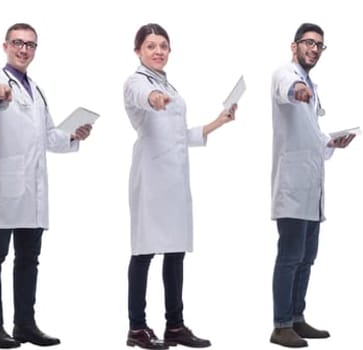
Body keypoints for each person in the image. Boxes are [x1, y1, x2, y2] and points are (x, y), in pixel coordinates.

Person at [0, 22, 91, 350]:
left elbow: (48, 136)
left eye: (30, 45)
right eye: (18, 43)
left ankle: (24, 324)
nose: (24, 49)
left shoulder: (37, 90)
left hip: (33, 189)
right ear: (6, 46)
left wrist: (72, 135)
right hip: (4, 186)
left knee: (29, 258)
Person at [122, 23, 232, 350]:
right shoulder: (137, 83)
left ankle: (175, 325)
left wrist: (220, 120)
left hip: (175, 180)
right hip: (152, 178)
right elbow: (144, 98)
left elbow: (180, 135)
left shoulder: (168, 83)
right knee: (143, 251)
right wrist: (154, 97)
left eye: (163, 46)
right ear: (138, 50)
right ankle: (137, 328)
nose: (158, 51)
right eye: (151, 46)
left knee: (175, 253)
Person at [268, 22, 355, 349]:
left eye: (319, 45)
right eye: (308, 43)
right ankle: (280, 325)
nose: (314, 49)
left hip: (312, 188)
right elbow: (287, 89)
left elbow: (311, 136)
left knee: (307, 257)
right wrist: (297, 91)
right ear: (295, 46)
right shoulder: (285, 74)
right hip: (292, 187)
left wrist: (333, 142)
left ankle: (297, 317)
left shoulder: (312, 84)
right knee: (289, 257)